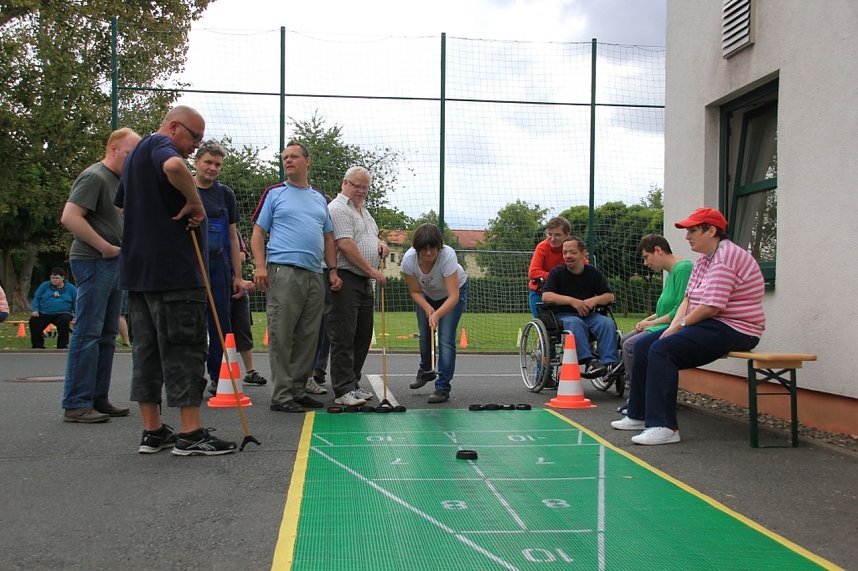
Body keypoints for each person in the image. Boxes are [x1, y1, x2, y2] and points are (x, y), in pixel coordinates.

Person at [116, 105, 237, 455]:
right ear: (173, 127)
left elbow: (123, 205)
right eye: (194, 136)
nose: (196, 146)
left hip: (139, 272)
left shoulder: (136, 155)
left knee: (147, 351)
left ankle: (153, 430)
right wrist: (195, 202)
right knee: (185, 348)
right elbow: (172, 166)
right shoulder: (160, 147)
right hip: (174, 273)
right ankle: (190, 432)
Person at [611, 208, 765, 445]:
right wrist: (672, 326)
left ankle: (665, 427)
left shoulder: (727, 256)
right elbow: (688, 299)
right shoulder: (704, 258)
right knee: (643, 345)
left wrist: (678, 327)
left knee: (663, 350)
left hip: (738, 329)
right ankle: (639, 414)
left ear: (712, 230)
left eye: (693, 230)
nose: (687, 236)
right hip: (711, 323)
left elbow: (712, 306)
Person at [251, 141, 342, 413]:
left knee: (308, 335)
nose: (288, 161)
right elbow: (258, 232)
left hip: (315, 273)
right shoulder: (275, 193)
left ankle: (299, 390)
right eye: (285, 157)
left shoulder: (318, 199)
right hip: (283, 271)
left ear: (307, 161)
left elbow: (328, 237)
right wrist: (260, 266)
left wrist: (333, 270)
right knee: (282, 333)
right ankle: (281, 396)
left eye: (293, 156)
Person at [60, 127, 140, 423]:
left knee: (107, 334)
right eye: (130, 154)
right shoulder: (95, 176)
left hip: (112, 262)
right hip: (94, 261)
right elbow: (70, 216)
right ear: (114, 148)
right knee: (89, 332)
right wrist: (105, 246)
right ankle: (77, 402)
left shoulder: (119, 181)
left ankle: (97, 398)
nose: (132, 161)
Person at [327, 166, 390, 407]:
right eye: (357, 186)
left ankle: (352, 383)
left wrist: (381, 245)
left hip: (363, 281)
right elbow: (345, 244)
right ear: (345, 184)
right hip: (346, 277)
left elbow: (370, 238)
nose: (362, 191)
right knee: (344, 335)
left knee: (362, 335)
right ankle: (342, 388)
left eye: (365, 187)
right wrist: (372, 271)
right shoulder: (338, 208)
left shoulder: (364, 212)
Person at [192, 141, 245, 394]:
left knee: (220, 324)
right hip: (188, 267)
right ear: (196, 162)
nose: (212, 168)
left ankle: (219, 377)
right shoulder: (183, 188)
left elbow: (233, 238)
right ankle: (191, 379)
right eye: (208, 163)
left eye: (217, 164)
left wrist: (238, 275)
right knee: (190, 325)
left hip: (219, 266)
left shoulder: (225, 195)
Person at [401, 223, 468, 403]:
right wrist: (428, 308)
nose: (429, 253)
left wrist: (437, 314)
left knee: (445, 339)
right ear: (417, 249)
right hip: (427, 296)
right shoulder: (408, 261)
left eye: (433, 249)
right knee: (425, 335)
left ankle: (442, 388)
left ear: (440, 247)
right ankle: (425, 370)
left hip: (453, 295)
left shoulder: (447, 256)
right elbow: (415, 291)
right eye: (424, 249)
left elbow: (454, 296)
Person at [618, 235, 692, 393]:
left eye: (646, 257)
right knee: (625, 339)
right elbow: (663, 311)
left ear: (658, 250)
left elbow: (681, 309)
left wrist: (651, 324)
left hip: (672, 326)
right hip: (663, 323)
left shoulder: (683, 269)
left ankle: (637, 395)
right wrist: (647, 320)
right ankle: (637, 388)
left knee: (630, 345)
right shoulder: (671, 272)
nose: (645, 263)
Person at [541, 237, 619, 375]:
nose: (568, 256)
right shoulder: (557, 273)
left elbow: (609, 296)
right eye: (565, 253)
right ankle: (589, 362)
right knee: (576, 323)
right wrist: (572, 301)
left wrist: (593, 300)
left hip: (589, 315)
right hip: (564, 316)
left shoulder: (593, 273)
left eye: (572, 252)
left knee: (606, 323)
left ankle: (610, 363)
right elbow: (546, 296)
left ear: (583, 254)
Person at [231, 229, 267, 386]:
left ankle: (251, 371)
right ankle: (217, 375)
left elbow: (242, 254)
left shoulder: (234, 232)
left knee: (243, 328)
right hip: (213, 285)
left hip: (236, 284)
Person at [527, 216, 572, 318]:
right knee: (546, 326)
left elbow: (583, 267)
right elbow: (533, 272)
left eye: (557, 235)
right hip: (539, 293)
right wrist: (560, 277)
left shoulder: (572, 248)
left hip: (564, 293)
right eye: (549, 234)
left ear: (567, 235)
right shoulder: (542, 247)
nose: (552, 239)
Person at [30, 268, 77, 350]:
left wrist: (76, 314)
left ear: (63, 278)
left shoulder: (71, 288)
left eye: (57, 278)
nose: (54, 280)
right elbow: (37, 298)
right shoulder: (45, 285)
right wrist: (35, 309)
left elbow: (76, 302)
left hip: (63, 312)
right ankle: (38, 345)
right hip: (44, 312)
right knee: (34, 321)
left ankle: (62, 346)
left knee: (64, 320)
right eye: (52, 278)